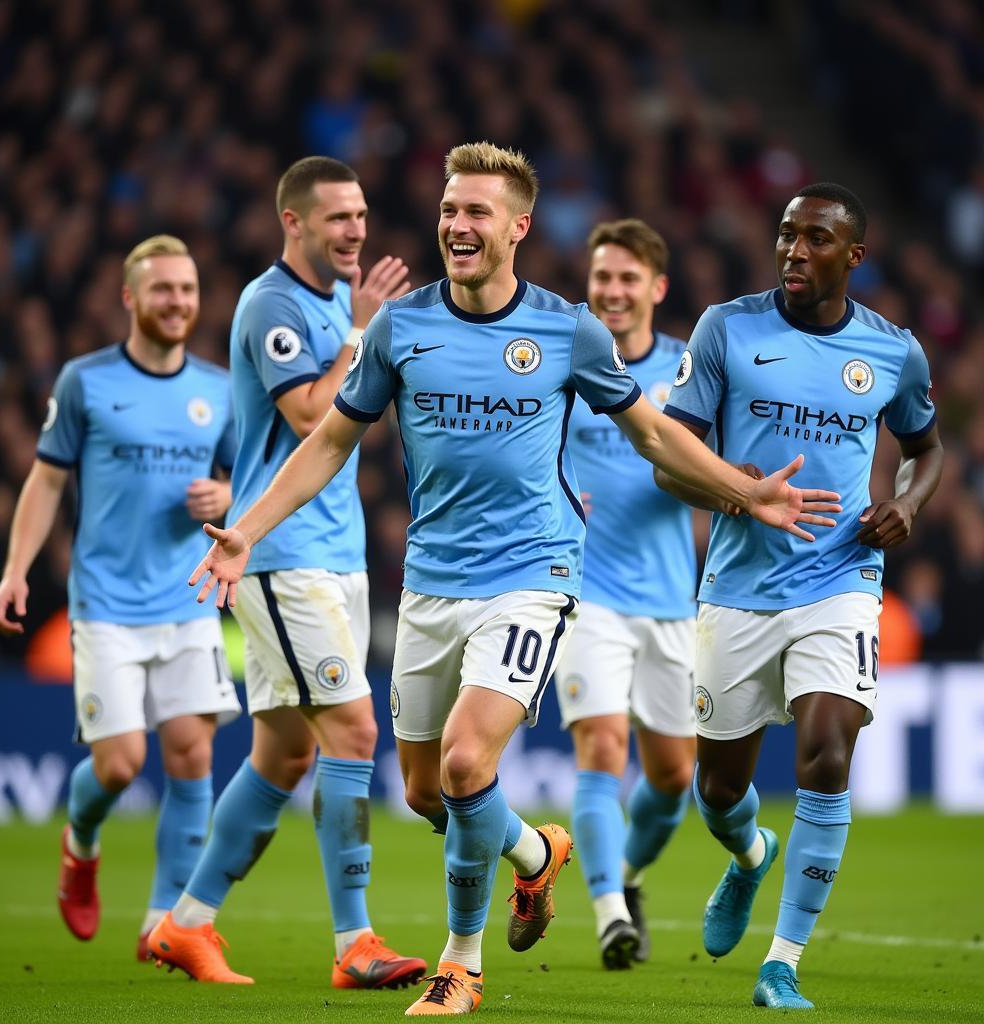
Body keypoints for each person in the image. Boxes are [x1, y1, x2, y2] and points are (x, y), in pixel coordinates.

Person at [186, 142, 842, 1016]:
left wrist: (742, 490)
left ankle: (464, 966)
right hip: (430, 584)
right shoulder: (400, 326)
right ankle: (536, 855)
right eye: (450, 209)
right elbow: (332, 440)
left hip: (535, 575)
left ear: (519, 228)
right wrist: (248, 532)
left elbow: (652, 433)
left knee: (464, 764)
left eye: (478, 213)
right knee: (424, 791)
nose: (458, 225)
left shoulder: (566, 329)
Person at [659, 183, 943, 1009]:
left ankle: (781, 962)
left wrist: (907, 505)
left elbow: (926, 452)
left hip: (840, 580)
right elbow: (667, 460)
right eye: (786, 235)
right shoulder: (726, 330)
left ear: (854, 256)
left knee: (826, 750)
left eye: (815, 238)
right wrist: (732, 492)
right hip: (739, 590)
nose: (793, 250)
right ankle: (749, 855)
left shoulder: (893, 352)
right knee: (716, 790)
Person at [148, 156, 426, 990]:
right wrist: (360, 330)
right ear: (293, 223)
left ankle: (185, 926)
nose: (356, 231)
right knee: (355, 734)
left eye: (362, 215)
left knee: (280, 756)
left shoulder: (341, 300)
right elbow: (313, 413)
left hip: (334, 553)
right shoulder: (274, 303)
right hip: (283, 557)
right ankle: (355, 941)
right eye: (339, 218)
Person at [0, 235, 242, 960]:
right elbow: (45, 480)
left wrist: (226, 494)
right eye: (162, 290)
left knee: (192, 753)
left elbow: (246, 479)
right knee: (122, 763)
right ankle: (82, 838)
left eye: (187, 290)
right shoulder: (85, 382)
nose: (177, 302)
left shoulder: (216, 390)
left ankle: (163, 923)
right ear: (130, 298)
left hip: (189, 599)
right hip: (105, 606)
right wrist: (16, 571)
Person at [555, 219, 701, 968]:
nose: (612, 291)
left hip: (672, 599)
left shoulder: (688, 370)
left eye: (627, 279)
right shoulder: (565, 361)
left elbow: (710, 463)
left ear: (656, 288)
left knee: (675, 776)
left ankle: (631, 878)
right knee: (602, 747)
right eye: (602, 277)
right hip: (586, 594)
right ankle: (610, 910)